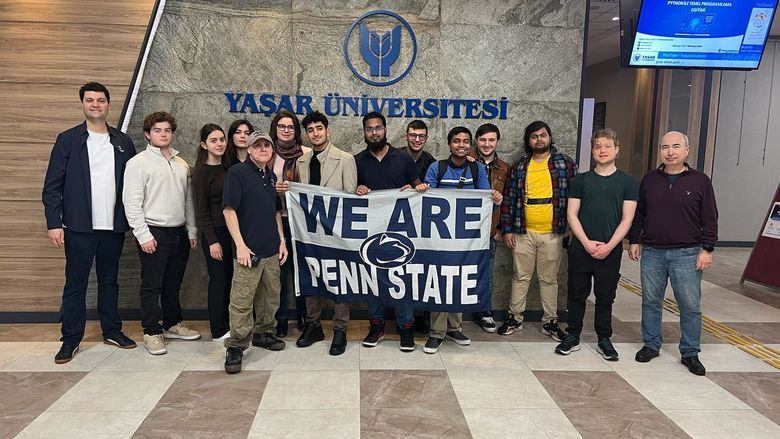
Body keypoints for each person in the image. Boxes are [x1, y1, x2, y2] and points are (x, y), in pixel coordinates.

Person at [42, 82, 137, 364]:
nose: (95, 105)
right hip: (79, 227)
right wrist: (53, 223)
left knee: (110, 282)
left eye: (100, 100)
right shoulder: (68, 140)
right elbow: (52, 186)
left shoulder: (122, 142)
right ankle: (70, 340)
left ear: (109, 104)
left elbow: (132, 186)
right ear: (83, 104)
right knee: (75, 283)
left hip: (113, 227)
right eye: (90, 100)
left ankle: (112, 330)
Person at [628, 131, 718, 376]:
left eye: (676, 146)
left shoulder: (700, 181)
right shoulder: (649, 180)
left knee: (689, 305)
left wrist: (707, 249)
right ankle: (651, 344)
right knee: (650, 301)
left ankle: (690, 352)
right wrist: (634, 240)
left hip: (687, 253)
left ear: (686, 150)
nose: (670, 151)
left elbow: (710, 218)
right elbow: (640, 213)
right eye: (665, 147)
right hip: (653, 252)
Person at [415, 126, 503, 354]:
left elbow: (485, 200)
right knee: (440, 281)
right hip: (439, 237)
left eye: (465, 141)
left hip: (466, 238)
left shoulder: (477, 169)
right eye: (457, 141)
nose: (461, 145)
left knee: (459, 280)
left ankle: (455, 327)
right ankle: (436, 333)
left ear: (470, 144)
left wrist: (495, 198)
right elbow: (426, 199)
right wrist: (423, 190)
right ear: (449, 144)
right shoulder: (437, 167)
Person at [278, 111, 358, 356]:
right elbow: (299, 198)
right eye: (310, 130)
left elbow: (350, 196)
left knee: (338, 279)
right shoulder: (301, 162)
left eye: (319, 128)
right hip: (309, 232)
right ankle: (313, 325)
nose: (315, 133)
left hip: (336, 232)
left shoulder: (345, 159)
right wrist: (284, 191)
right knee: (310, 275)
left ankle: (340, 329)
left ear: (327, 130)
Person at [555, 128, 637, 360]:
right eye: (598, 146)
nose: (602, 150)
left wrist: (610, 245)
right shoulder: (580, 181)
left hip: (610, 251)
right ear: (592, 151)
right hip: (581, 248)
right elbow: (572, 214)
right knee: (577, 293)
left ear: (616, 150)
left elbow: (627, 218)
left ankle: (604, 337)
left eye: (607, 146)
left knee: (605, 296)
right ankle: (573, 335)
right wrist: (586, 242)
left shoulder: (627, 182)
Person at [123, 111, 201, 356]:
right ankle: (151, 332)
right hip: (153, 231)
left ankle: (171, 324)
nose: (163, 134)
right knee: (152, 285)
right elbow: (132, 203)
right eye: (157, 130)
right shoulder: (137, 163)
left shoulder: (181, 164)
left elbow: (188, 200)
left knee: (172, 283)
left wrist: (191, 229)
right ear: (148, 134)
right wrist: (143, 235)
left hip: (179, 232)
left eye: (167, 130)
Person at [499, 121, 577, 340]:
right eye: (534, 136)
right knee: (520, 276)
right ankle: (515, 317)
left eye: (543, 135)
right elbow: (510, 198)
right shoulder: (520, 166)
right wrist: (507, 229)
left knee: (549, 279)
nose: (539, 139)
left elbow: (576, 197)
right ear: (528, 141)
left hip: (554, 232)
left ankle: (550, 322)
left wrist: (572, 227)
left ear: (550, 137)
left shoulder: (565, 164)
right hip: (523, 231)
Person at [222, 131, 288, 374]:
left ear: (272, 151)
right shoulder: (238, 173)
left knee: (270, 297)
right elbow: (229, 211)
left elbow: (274, 213)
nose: (262, 149)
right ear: (249, 150)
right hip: (248, 252)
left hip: (271, 250)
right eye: (257, 146)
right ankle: (236, 346)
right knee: (242, 301)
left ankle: (263, 332)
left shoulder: (270, 176)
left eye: (266, 146)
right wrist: (240, 244)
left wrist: (281, 241)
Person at [354, 111, 421, 351]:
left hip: (400, 234)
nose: (374, 133)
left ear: (385, 129)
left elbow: (419, 189)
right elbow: (348, 194)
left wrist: (414, 190)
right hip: (369, 233)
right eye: (369, 129)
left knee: (401, 280)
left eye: (378, 128)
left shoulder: (403, 159)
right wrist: (356, 189)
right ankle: (376, 326)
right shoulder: (357, 161)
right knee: (372, 281)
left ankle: (406, 329)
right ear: (364, 132)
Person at [270, 110, 308, 337]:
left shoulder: (306, 153)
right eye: (282, 126)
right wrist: (273, 189)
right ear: (275, 128)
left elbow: (314, 186)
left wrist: (294, 188)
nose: (286, 130)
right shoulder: (266, 152)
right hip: (276, 220)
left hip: (301, 221)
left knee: (302, 271)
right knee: (280, 273)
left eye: (290, 127)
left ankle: (304, 316)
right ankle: (281, 318)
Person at [192, 123, 232, 341]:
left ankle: (228, 323)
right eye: (214, 140)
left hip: (231, 233)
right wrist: (212, 241)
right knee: (218, 280)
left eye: (222, 139)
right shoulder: (201, 173)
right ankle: (218, 329)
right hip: (214, 234)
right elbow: (202, 211)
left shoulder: (227, 169)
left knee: (229, 279)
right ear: (203, 144)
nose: (219, 144)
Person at [470, 123, 510, 333]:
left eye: (491, 140)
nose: (487, 144)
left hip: (489, 231)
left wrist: (501, 228)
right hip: (464, 230)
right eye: (483, 140)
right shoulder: (464, 161)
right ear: (477, 140)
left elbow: (508, 201)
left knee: (486, 273)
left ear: (497, 142)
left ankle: (485, 311)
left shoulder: (504, 168)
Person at [398, 119, 437, 333]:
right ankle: (401, 317)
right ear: (406, 136)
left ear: (426, 138)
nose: (417, 139)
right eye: (413, 135)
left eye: (421, 136)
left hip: (421, 226)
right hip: (398, 223)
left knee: (419, 272)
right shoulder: (395, 156)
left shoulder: (431, 161)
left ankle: (419, 316)